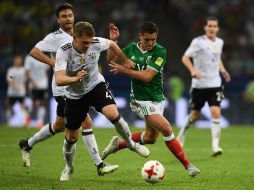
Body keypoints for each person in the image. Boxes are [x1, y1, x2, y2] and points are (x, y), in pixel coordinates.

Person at [18, 3, 118, 177]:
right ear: (58, 20)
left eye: (70, 15)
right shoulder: (54, 37)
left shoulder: (80, 34)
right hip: (65, 88)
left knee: (58, 126)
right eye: (63, 16)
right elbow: (34, 52)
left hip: (80, 86)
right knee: (85, 122)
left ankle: (27, 143)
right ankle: (99, 164)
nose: (68, 18)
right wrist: (55, 65)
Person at [55, 21, 150, 181]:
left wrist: (124, 60)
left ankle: (131, 144)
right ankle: (69, 167)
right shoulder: (64, 51)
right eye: (84, 42)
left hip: (95, 86)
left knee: (113, 114)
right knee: (71, 137)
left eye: (90, 42)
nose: (88, 46)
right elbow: (59, 79)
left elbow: (112, 44)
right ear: (74, 37)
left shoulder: (96, 43)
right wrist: (74, 78)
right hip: (74, 95)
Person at [102, 22, 200, 177]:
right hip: (140, 100)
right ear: (140, 36)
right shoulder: (131, 49)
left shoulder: (160, 51)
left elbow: (147, 77)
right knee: (166, 128)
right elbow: (110, 58)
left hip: (157, 98)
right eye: (147, 39)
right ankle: (188, 166)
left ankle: (118, 144)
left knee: (150, 138)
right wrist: (113, 42)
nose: (150, 43)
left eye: (153, 39)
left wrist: (125, 70)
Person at [176, 17, 231, 156]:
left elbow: (217, 59)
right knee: (195, 115)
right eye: (210, 26)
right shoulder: (198, 42)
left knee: (216, 112)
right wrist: (193, 70)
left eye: (214, 26)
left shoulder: (220, 42)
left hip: (215, 83)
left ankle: (215, 146)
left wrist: (223, 70)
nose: (212, 28)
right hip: (199, 85)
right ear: (205, 28)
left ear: (217, 29)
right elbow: (185, 58)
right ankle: (182, 134)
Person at [24, 54, 50, 128]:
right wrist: (33, 82)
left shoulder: (45, 57)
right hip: (33, 85)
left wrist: (45, 81)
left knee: (42, 103)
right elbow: (26, 72)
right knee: (32, 103)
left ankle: (40, 122)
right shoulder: (29, 58)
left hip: (43, 85)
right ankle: (27, 119)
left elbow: (47, 71)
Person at [6, 55, 29, 126]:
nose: (18, 61)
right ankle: (8, 122)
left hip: (21, 92)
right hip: (12, 92)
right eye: (17, 60)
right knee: (9, 106)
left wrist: (27, 75)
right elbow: (10, 79)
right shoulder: (11, 70)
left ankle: (25, 122)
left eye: (20, 60)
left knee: (23, 106)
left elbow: (26, 80)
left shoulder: (23, 70)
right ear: (14, 61)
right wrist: (14, 86)